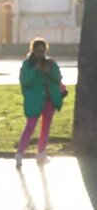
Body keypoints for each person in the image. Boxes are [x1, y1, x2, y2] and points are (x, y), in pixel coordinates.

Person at [14, 37, 63, 168]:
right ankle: (19, 154)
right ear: (33, 50)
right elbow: (25, 81)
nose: (40, 54)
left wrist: (49, 72)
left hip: (49, 100)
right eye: (38, 51)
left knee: (45, 127)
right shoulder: (27, 65)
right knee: (30, 127)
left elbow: (58, 78)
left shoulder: (50, 63)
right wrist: (35, 70)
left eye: (43, 51)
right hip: (34, 100)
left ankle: (41, 153)